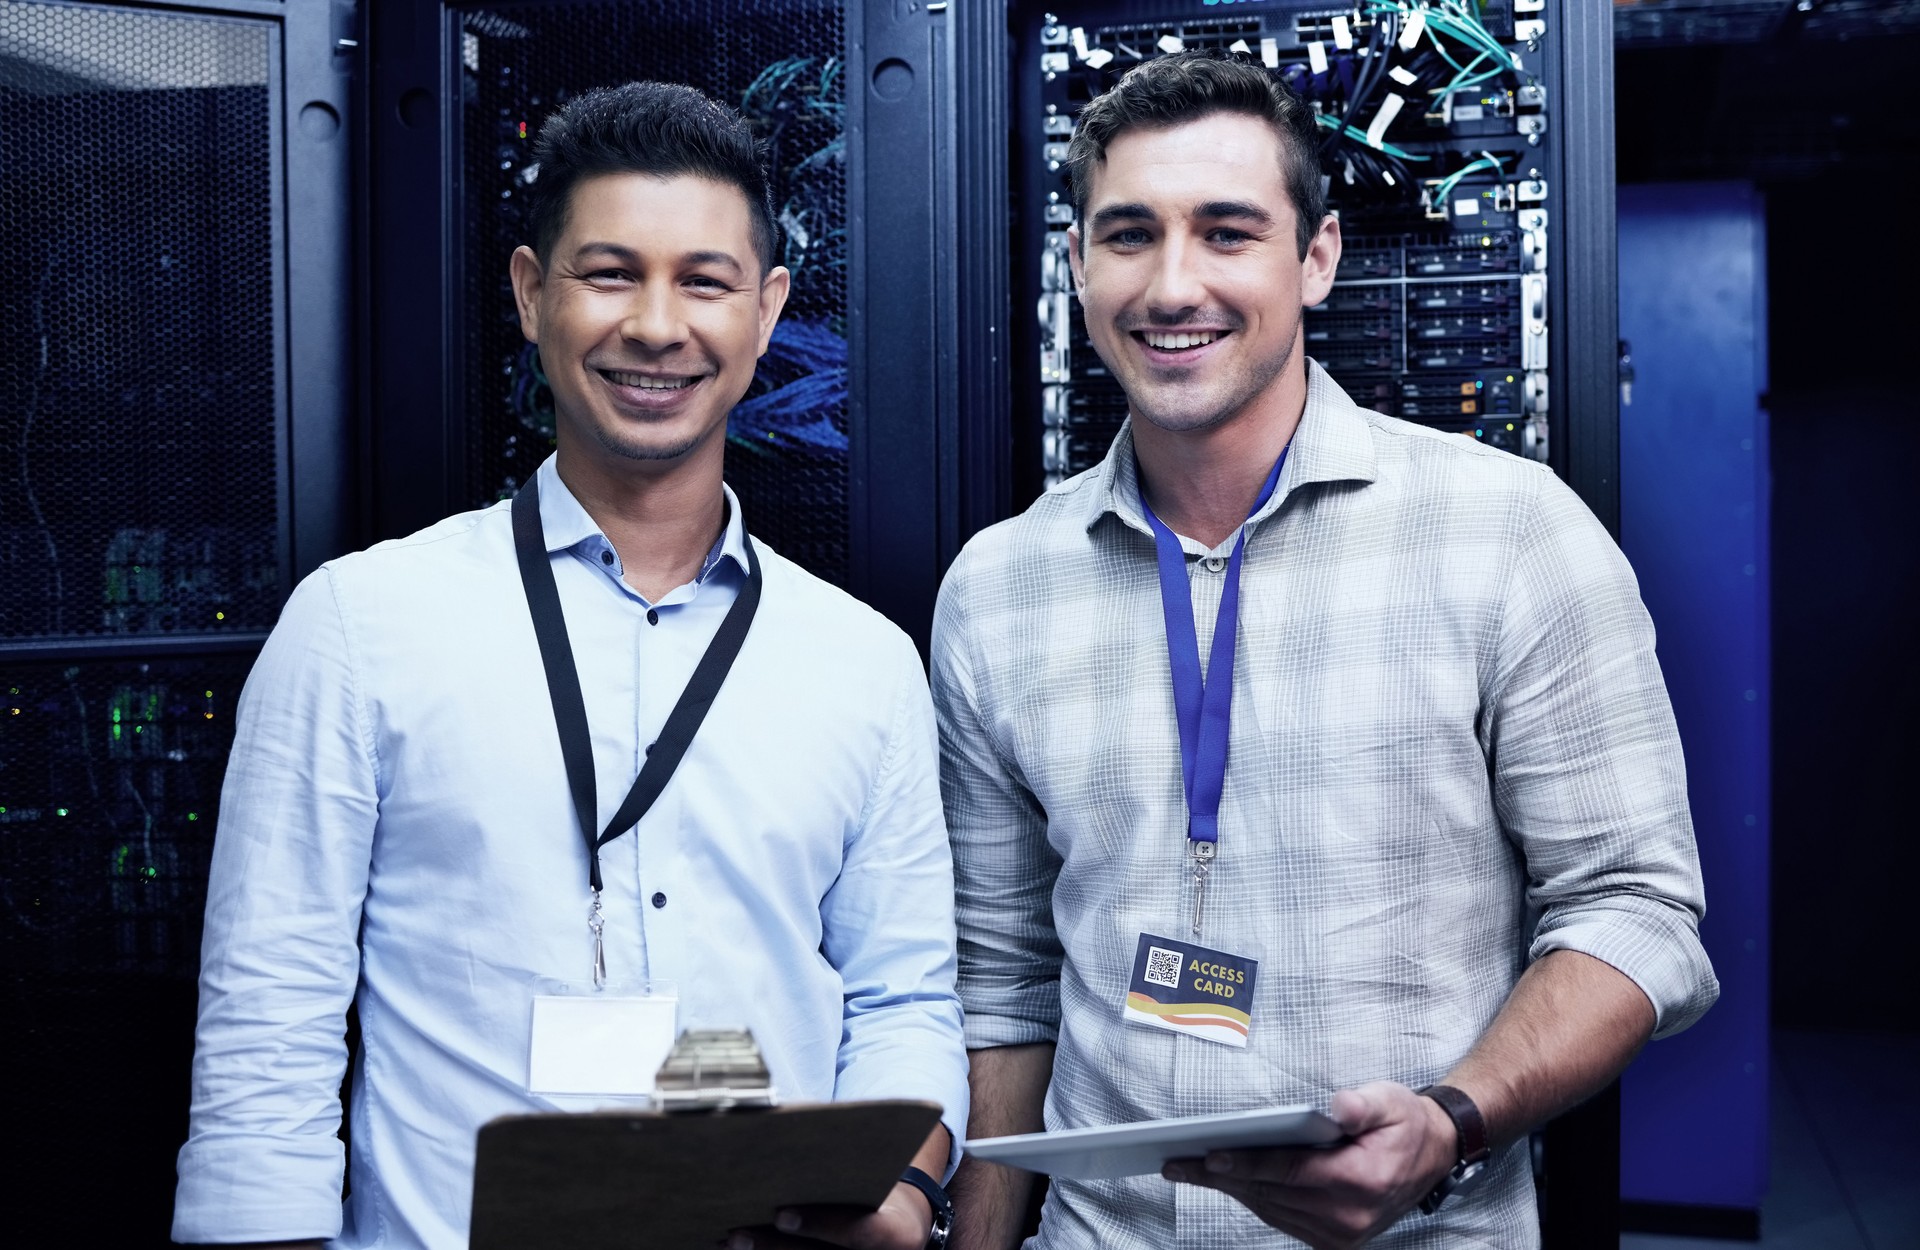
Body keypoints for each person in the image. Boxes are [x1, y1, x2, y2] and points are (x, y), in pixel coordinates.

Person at [933, 51, 1717, 1250]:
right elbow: (1005, 980)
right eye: (1130, 234)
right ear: (1078, 267)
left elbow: (1636, 909)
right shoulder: (997, 590)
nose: (1172, 282)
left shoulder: (1509, 532)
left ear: (1317, 259)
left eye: (1228, 232)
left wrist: (1453, 1121)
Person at [173, 82, 964, 1250]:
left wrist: (905, 1190)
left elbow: (905, 998)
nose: (657, 324)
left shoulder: (863, 663)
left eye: (704, 280)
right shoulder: (358, 624)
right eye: (609, 273)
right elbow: (267, 1017)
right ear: (533, 293)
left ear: (765, 312)